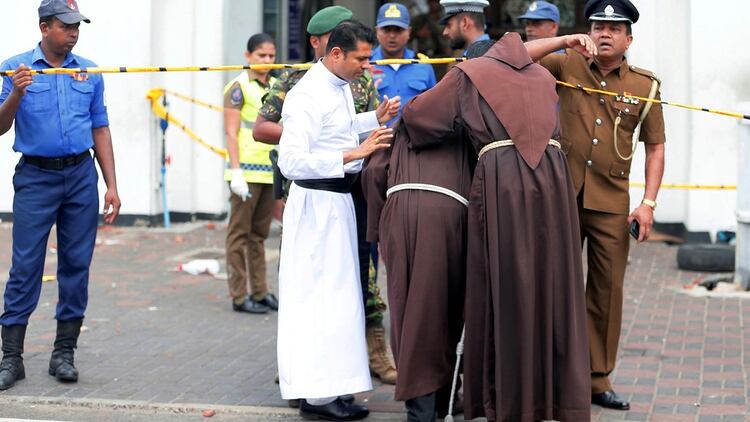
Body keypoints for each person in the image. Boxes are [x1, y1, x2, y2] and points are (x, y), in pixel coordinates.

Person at [403, 32, 598, 421]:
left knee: (505, 284)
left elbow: (417, 118)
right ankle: (553, 397)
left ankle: (509, 398)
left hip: (505, 181)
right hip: (553, 183)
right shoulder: (539, 76)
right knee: (549, 285)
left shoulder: (469, 74)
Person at [527, 0, 666, 411]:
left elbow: (655, 148)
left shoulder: (646, 85)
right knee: (552, 285)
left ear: (628, 38)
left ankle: (596, 378)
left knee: (606, 292)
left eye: (614, 27)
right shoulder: (565, 63)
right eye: (597, 25)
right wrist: (565, 39)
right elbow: (515, 56)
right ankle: (547, 374)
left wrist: (648, 204)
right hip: (560, 195)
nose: (604, 33)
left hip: (611, 203)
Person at [254, 6, 398, 385]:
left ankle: (332, 386)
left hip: (338, 202)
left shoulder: (336, 85)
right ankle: (316, 392)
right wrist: (355, 153)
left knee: (338, 299)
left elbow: (337, 127)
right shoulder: (305, 94)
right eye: (362, 58)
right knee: (318, 299)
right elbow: (292, 161)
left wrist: (373, 119)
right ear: (335, 53)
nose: (367, 66)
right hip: (317, 203)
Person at [361, 37, 496, 422]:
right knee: (448, 307)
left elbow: (374, 169)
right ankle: (439, 401)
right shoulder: (479, 116)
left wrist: (378, 230)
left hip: (400, 210)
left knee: (409, 308)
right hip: (451, 215)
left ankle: (421, 405)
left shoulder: (417, 108)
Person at [0, 0, 120, 391]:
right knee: (26, 266)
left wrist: (111, 185)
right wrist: (16, 93)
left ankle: (63, 353)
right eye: (65, 26)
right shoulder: (15, 67)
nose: (73, 32)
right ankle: (11, 358)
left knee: (75, 266)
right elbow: (0, 126)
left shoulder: (87, 71)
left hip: (80, 177)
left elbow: (100, 126)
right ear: (44, 27)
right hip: (36, 178)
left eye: (77, 26)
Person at [223, 33, 279, 315]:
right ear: (248, 56)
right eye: (261, 56)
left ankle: (259, 290)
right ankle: (239, 294)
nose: (267, 61)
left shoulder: (276, 85)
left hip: (269, 172)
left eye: (271, 56)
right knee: (239, 235)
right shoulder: (238, 87)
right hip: (245, 172)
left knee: (259, 235)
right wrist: (235, 171)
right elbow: (231, 132)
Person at [371, 2, 436, 126]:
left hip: (414, 141)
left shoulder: (422, 65)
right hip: (376, 140)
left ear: (409, 32)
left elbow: (434, 107)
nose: (392, 35)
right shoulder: (366, 64)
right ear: (377, 31)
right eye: (386, 29)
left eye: (398, 30)